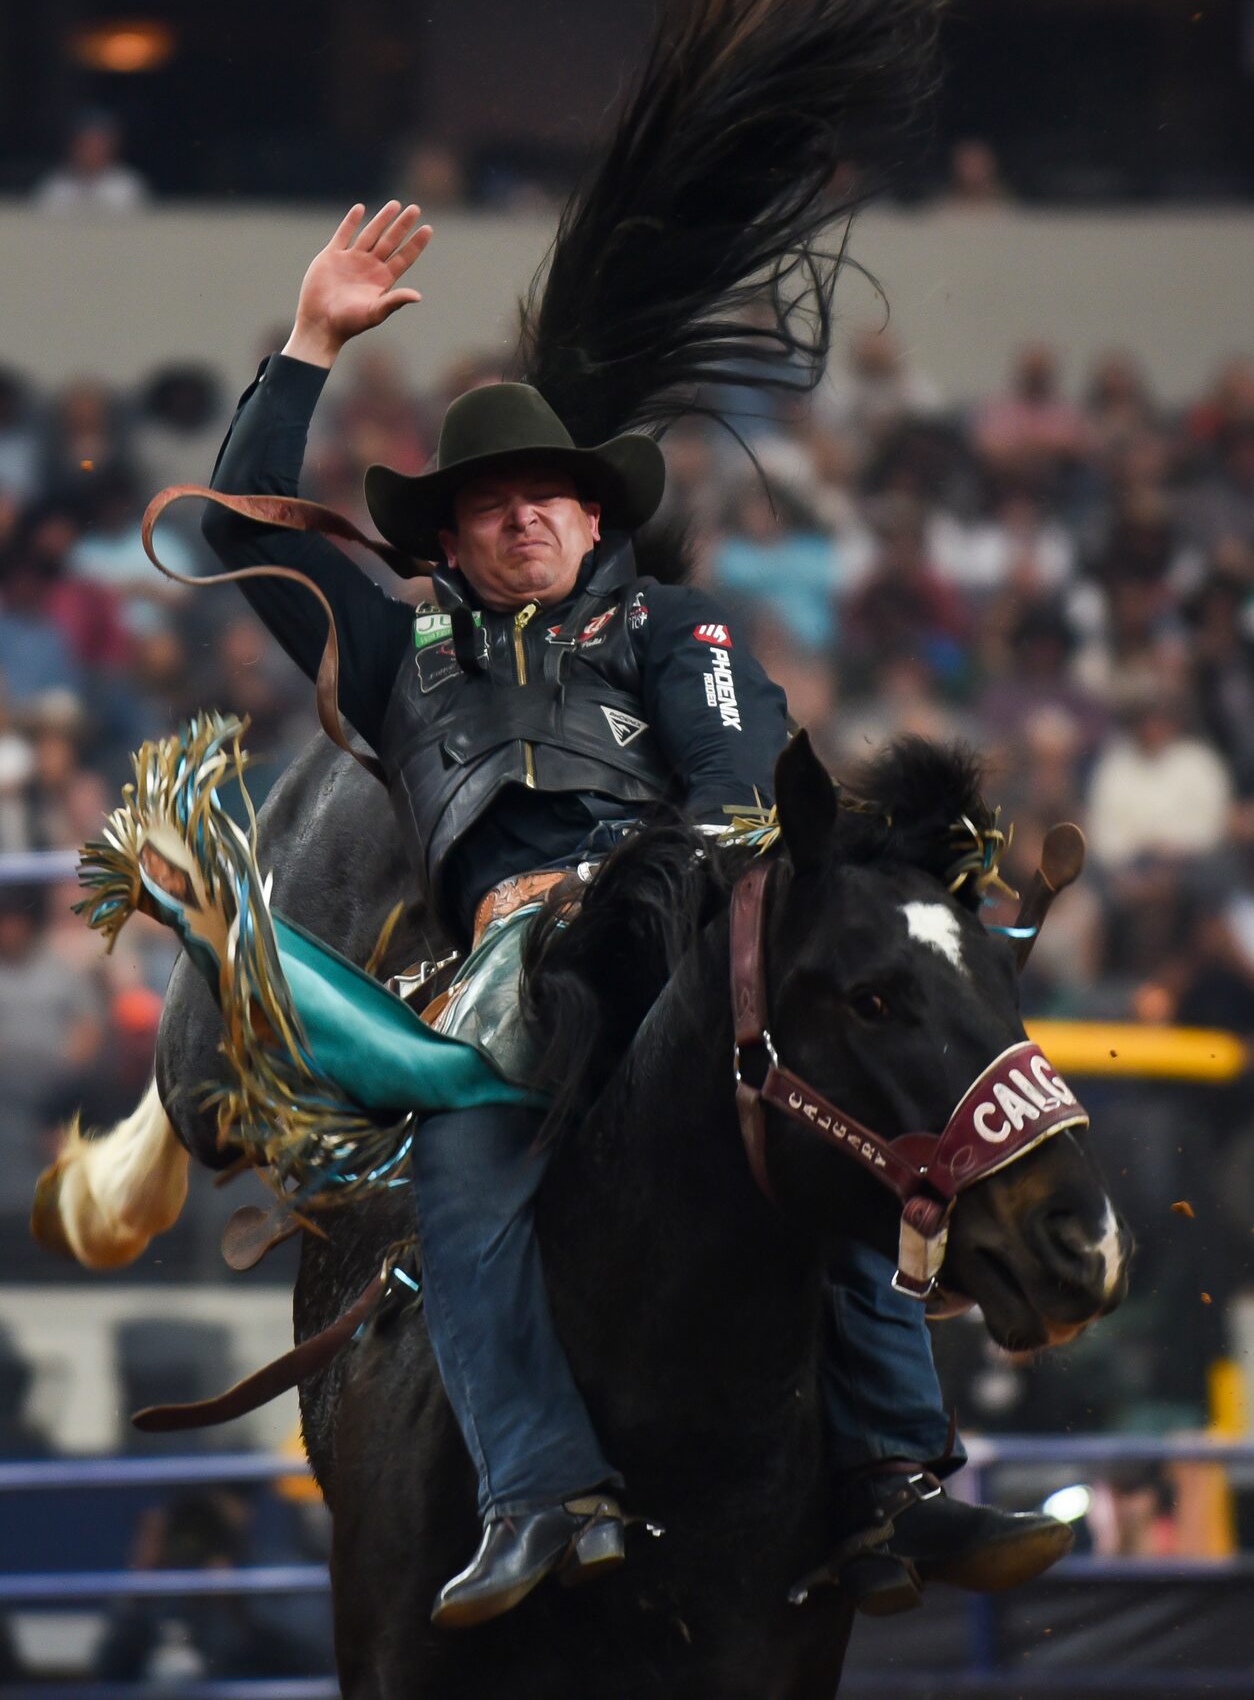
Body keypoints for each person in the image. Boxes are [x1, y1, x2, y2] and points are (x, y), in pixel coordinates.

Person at [192, 202, 1070, 1626]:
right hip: (498, 986)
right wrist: (308, 342)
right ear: (455, 540)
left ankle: (897, 1479)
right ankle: (539, 1491)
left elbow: (733, 787)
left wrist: (643, 891)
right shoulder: (391, 650)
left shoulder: (679, 629)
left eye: (547, 493)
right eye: (488, 502)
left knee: (816, 1132)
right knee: (463, 1183)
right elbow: (239, 526)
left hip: (679, 948)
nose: (521, 514)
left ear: (595, 514)